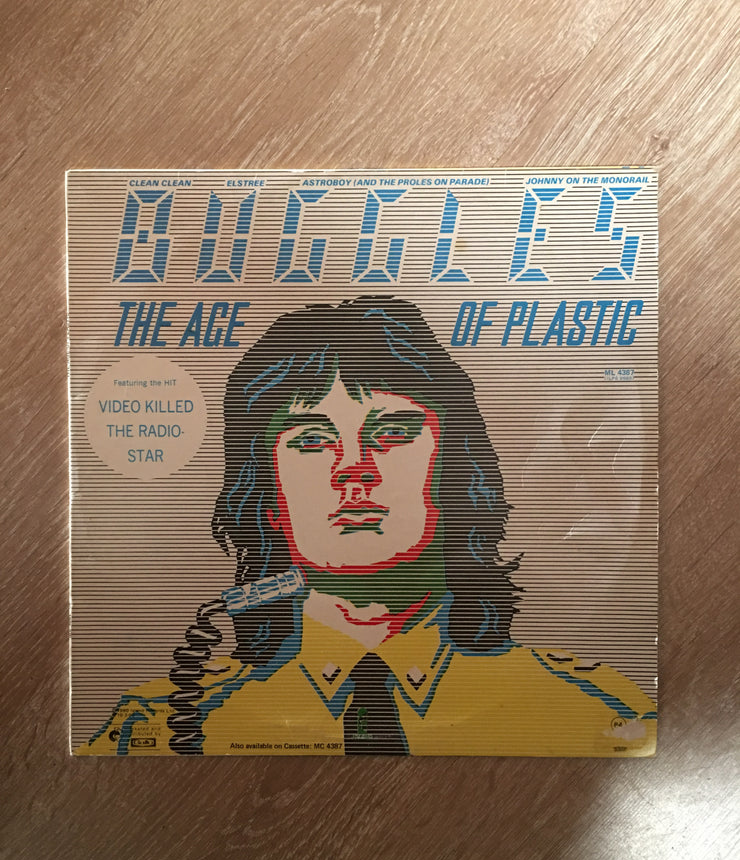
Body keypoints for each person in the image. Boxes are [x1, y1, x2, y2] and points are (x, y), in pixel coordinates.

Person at [78, 296, 656, 757]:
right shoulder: (154, 725)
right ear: (267, 494)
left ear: (455, 469)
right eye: (312, 440)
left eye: (393, 433)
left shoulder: (601, 714)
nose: (353, 470)